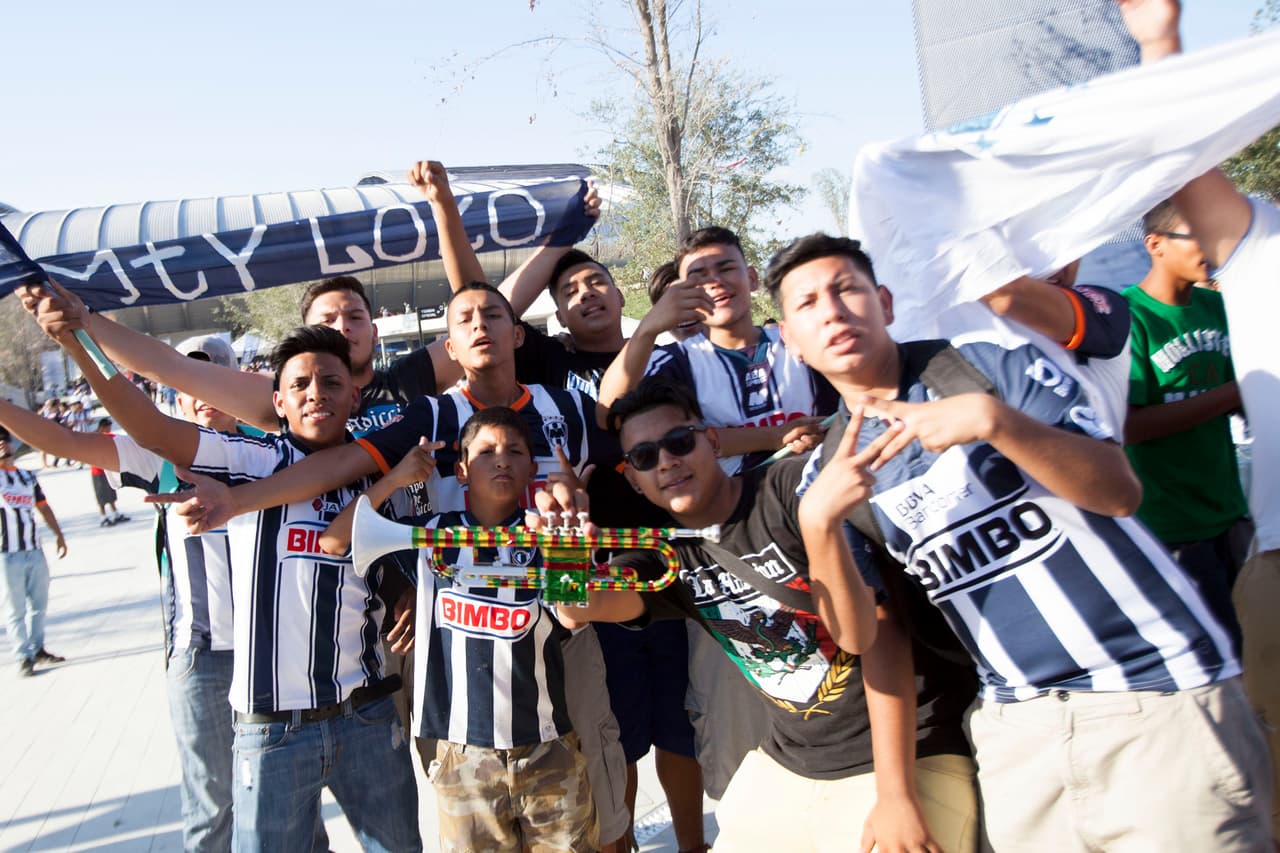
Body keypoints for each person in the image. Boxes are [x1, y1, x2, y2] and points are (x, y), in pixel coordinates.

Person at [766, 231, 1270, 850]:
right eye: (808, 303)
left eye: (848, 290)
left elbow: (1119, 491)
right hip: (1017, 726)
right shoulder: (823, 474)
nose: (834, 311)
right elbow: (859, 636)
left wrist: (994, 422)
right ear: (788, 338)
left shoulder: (985, 366)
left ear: (887, 303)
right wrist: (817, 526)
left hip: (1154, 692)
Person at [550, 377, 980, 853]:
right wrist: (564, 555)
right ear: (633, 478)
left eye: (678, 442)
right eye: (645, 457)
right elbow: (579, 607)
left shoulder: (791, 491)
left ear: (710, 440)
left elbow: (882, 631)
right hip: (794, 760)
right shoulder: (670, 555)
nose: (667, 461)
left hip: (908, 749)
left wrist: (896, 795)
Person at [53, 321, 420, 852]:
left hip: (366, 717)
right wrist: (76, 341)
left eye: (331, 383)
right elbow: (151, 427)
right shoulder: (249, 461)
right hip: (272, 732)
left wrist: (404, 587)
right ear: (278, 401)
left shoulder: (381, 472)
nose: (316, 393)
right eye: (300, 385)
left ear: (356, 395)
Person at [322, 407, 598, 852]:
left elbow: (573, 616)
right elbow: (336, 540)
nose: (502, 459)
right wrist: (395, 478)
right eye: (486, 452)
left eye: (515, 451)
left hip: (548, 748)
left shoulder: (545, 535)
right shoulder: (430, 536)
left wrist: (565, 538)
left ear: (531, 468)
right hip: (460, 754)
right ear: (462, 471)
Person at [0, 361, 241, 850]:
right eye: (186, 387)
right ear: (174, 401)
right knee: (212, 805)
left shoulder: (274, 452)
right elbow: (61, 443)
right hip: (202, 658)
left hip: (278, 654)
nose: (202, 395)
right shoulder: (160, 459)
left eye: (214, 382)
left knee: (284, 801)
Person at [598, 226, 834, 473]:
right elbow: (608, 415)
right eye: (698, 276)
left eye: (726, 268)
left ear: (752, 278)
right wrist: (647, 329)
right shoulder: (674, 362)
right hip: (742, 508)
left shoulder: (800, 337)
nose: (714, 281)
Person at [1121, 199, 1249, 648]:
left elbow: (1244, 405)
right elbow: (1129, 427)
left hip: (1232, 514)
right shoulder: (1127, 318)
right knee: (1219, 656)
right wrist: (1234, 393)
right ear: (1155, 244)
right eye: (1197, 235)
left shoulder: (1218, 307)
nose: (1211, 246)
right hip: (1169, 529)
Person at [0, 424, 67, 678]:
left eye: (5, 440)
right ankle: (22, 656)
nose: (2, 444)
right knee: (15, 608)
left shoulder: (27, 477)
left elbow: (43, 506)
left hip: (33, 550)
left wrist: (58, 534)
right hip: (7, 554)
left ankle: (37, 648)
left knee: (39, 604)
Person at [89, 418, 130, 527]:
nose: (110, 430)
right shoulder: (94, 438)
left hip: (107, 468)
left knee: (111, 492)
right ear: (102, 427)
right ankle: (103, 517)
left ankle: (115, 513)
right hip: (97, 470)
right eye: (108, 428)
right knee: (101, 494)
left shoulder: (107, 436)